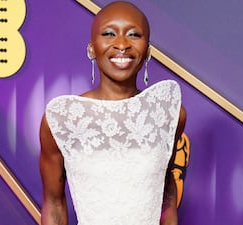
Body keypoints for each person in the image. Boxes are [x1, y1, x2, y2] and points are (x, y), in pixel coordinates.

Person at [39, 1, 186, 225]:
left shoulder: (168, 115)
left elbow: (166, 191)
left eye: (134, 34)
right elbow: (54, 202)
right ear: (91, 48)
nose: (121, 44)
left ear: (147, 51)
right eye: (109, 33)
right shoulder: (63, 119)